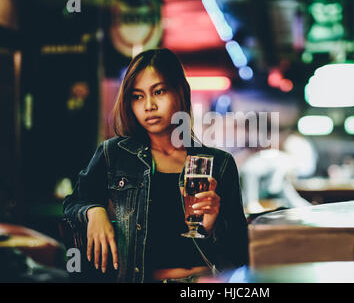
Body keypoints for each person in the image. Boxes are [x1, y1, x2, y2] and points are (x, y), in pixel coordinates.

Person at [63, 48, 248, 283]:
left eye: (158, 92)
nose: (148, 105)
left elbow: (240, 254)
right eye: (137, 96)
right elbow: (72, 203)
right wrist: (93, 211)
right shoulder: (114, 155)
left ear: (180, 92)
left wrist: (211, 228)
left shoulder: (219, 164)